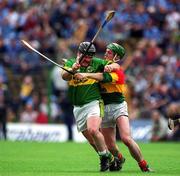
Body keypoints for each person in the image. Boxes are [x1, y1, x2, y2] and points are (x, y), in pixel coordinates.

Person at [74, 43, 153, 172]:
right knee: (110, 146)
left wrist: (87, 76)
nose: (105, 54)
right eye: (106, 51)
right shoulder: (100, 65)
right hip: (104, 109)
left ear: (116, 56)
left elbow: (104, 75)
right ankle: (119, 158)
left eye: (109, 52)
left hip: (118, 107)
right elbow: (86, 63)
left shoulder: (118, 72)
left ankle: (143, 165)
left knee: (126, 139)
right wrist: (76, 63)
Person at [61, 41, 117, 172]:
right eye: (85, 56)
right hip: (78, 107)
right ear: (79, 53)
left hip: (94, 103)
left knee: (93, 130)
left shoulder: (97, 63)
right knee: (92, 141)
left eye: (90, 56)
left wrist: (111, 67)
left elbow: (117, 66)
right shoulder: (70, 63)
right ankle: (109, 157)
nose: (88, 59)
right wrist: (72, 70)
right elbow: (64, 76)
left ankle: (104, 160)